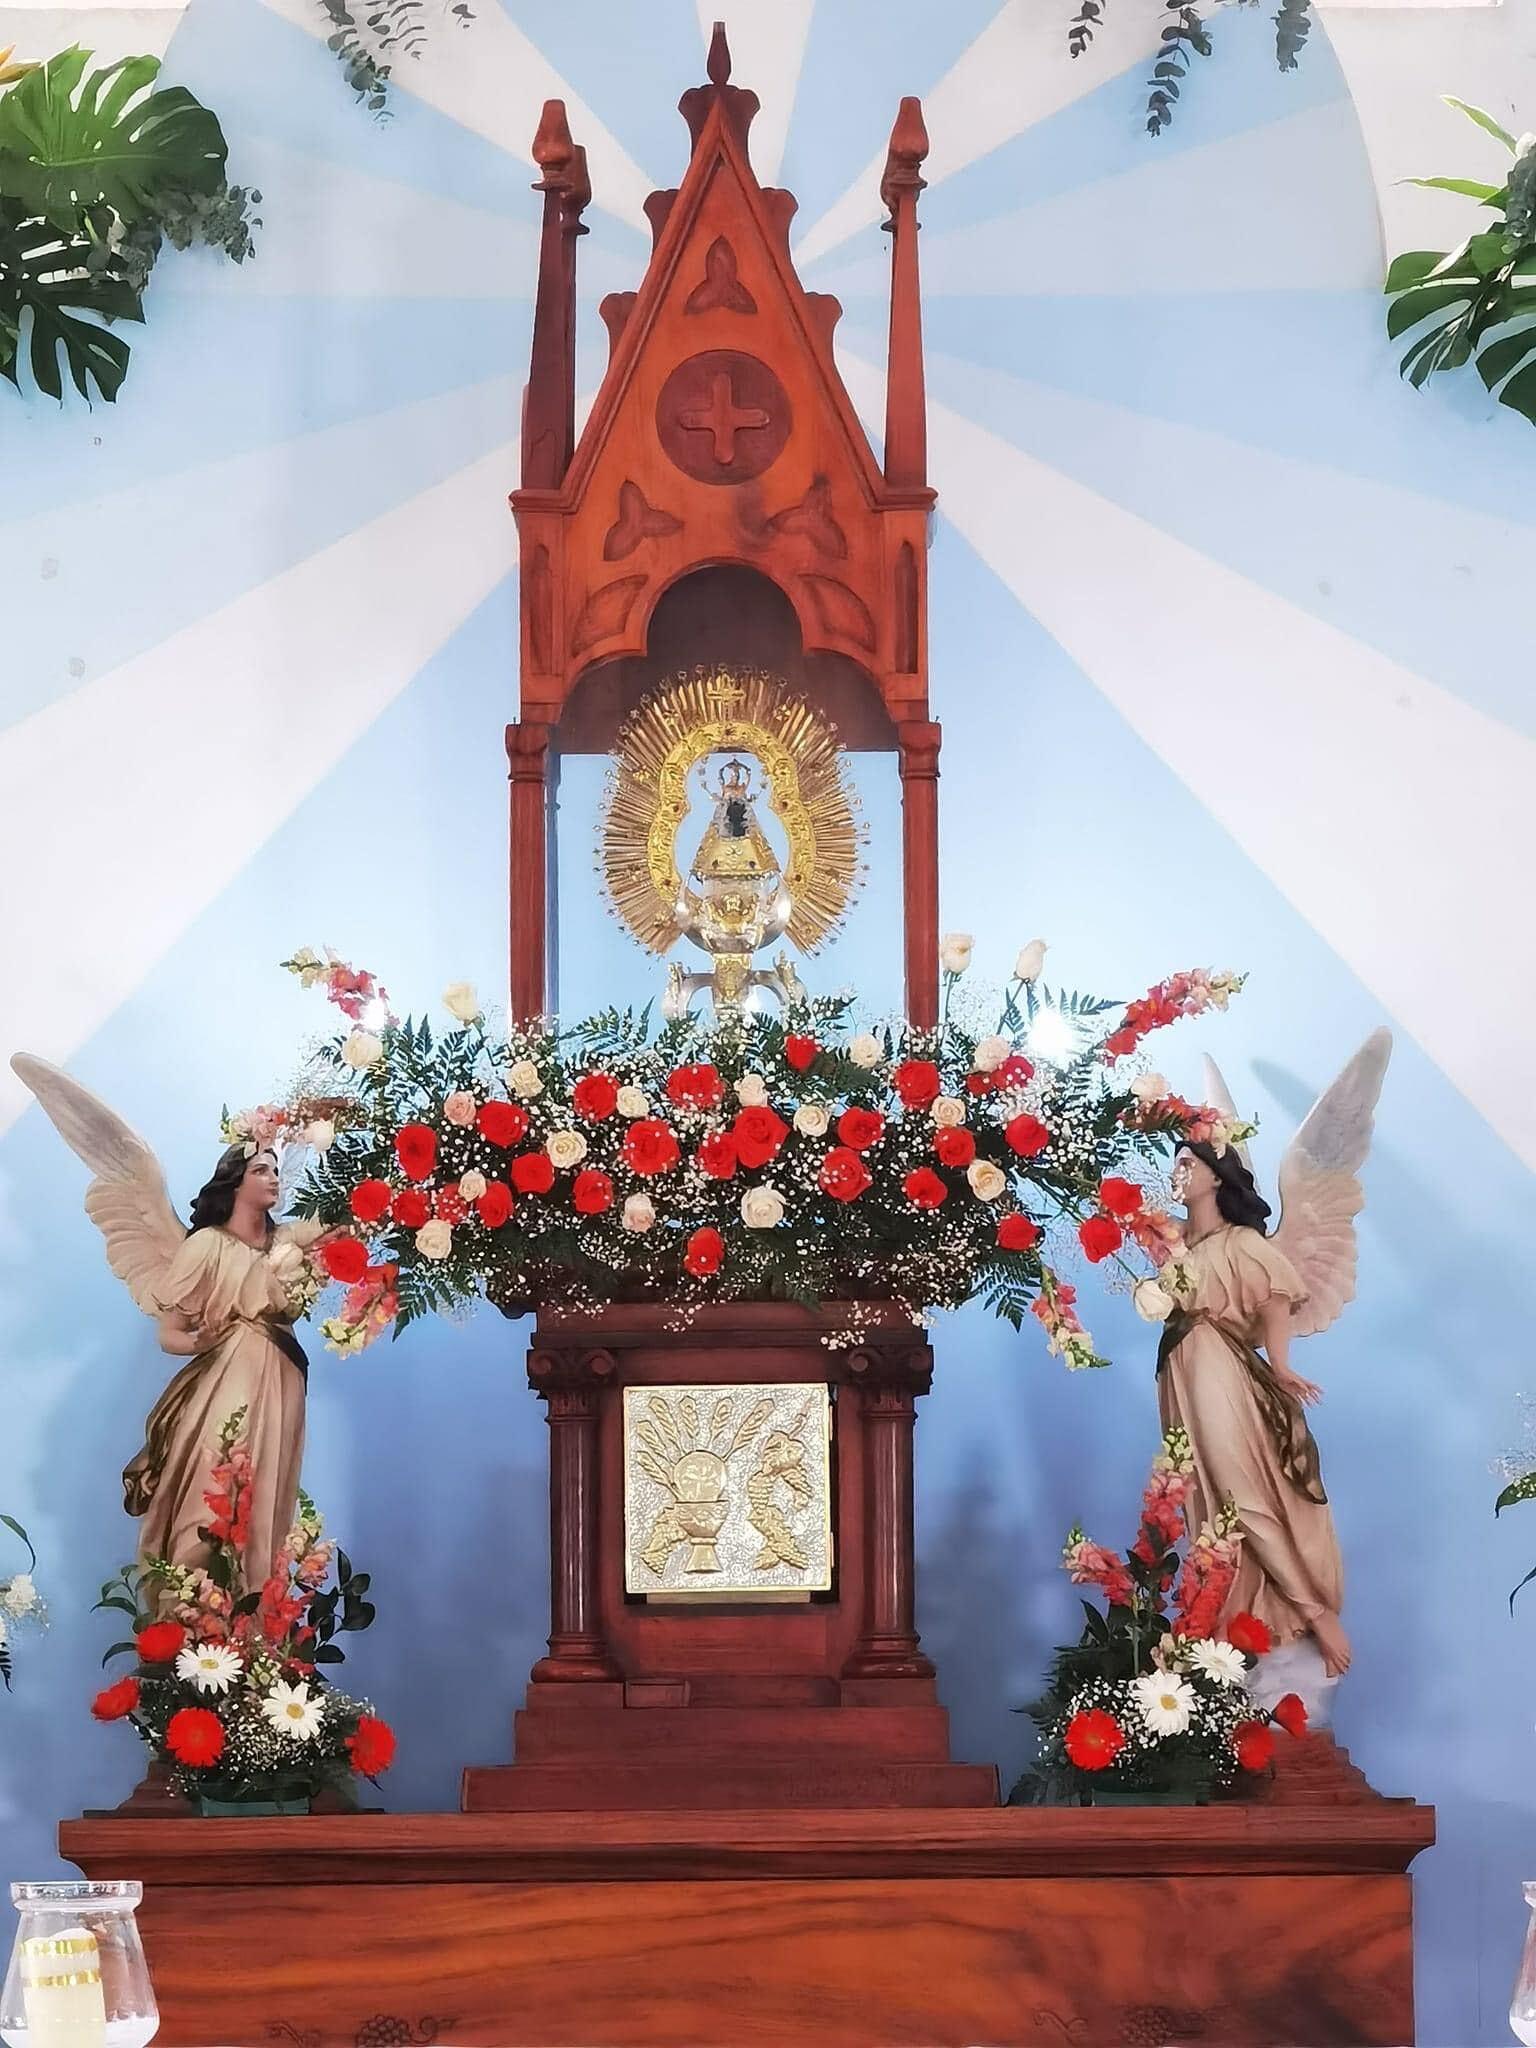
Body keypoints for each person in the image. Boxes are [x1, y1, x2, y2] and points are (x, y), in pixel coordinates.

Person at [1159, 1140, 1350, 1680]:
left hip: (1218, 1362)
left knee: (1238, 1485)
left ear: (1217, 1177)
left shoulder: (1240, 1241)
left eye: (1188, 1162)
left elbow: (1277, 1292)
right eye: (1174, 1161)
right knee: (1207, 1500)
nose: (1178, 1171)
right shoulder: (1175, 1244)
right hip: (1180, 1369)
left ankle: (1313, 1610)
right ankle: (1230, 1622)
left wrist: (1283, 1365)